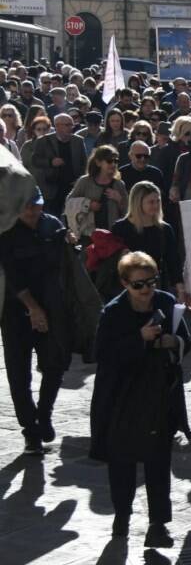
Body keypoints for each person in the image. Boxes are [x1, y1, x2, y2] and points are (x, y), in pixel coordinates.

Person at [90, 251, 190, 546]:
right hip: (123, 399)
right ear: (124, 284)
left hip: (159, 395)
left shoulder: (166, 302)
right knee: (122, 463)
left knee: (158, 463)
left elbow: (187, 341)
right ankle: (122, 515)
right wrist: (139, 340)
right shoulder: (113, 312)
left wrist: (175, 342)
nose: (146, 290)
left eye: (151, 282)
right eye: (138, 285)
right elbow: (103, 355)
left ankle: (158, 525)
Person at [0, 189, 78, 454]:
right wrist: (32, 308)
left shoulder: (51, 225)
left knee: (56, 363)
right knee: (18, 374)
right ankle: (30, 431)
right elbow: (11, 276)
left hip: (52, 306)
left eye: (37, 206)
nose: (33, 213)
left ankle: (44, 413)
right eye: (28, 208)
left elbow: (66, 263)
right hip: (15, 312)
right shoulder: (7, 231)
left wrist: (70, 241)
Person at [110, 182, 183, 299]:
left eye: (158, 201)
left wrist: (180, 289)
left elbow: (173, 261)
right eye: (151, 202)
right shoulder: (120, 228)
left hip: (156, 287)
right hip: (128, 290)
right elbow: (111, 264)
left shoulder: (165, 229)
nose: (156, 205)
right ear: (138, 203)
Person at [67, 145, 129, 239]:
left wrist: (119, 199)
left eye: (116, 161)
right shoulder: (85, 182)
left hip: (112, 236)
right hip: (88, 236)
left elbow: (128, 213)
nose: (113, 164)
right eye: (109, 161)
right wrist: (88, 204)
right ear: (98, 162)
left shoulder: (119, 184)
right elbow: (69, 203)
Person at [31, 113, 87, 216]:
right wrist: (50, 162)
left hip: (73, 186)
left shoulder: (78, 141)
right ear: (57, 126)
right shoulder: (43, 141)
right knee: (53, 215)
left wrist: (80, 180)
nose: (70, 127)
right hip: (52, 187)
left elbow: (84, 162)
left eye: (71, 125)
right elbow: (35, 160)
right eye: (67, 125)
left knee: (72, 216)